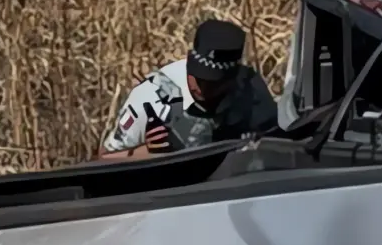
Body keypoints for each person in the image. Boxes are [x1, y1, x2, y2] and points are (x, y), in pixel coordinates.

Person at [99, 18, 282, 160]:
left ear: (233, 79)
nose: (201, 88)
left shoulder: (251, 90)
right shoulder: (151, 98)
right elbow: (104, 159)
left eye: (213, 83)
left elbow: (278, 141)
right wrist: (145, 152)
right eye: (198, 77)